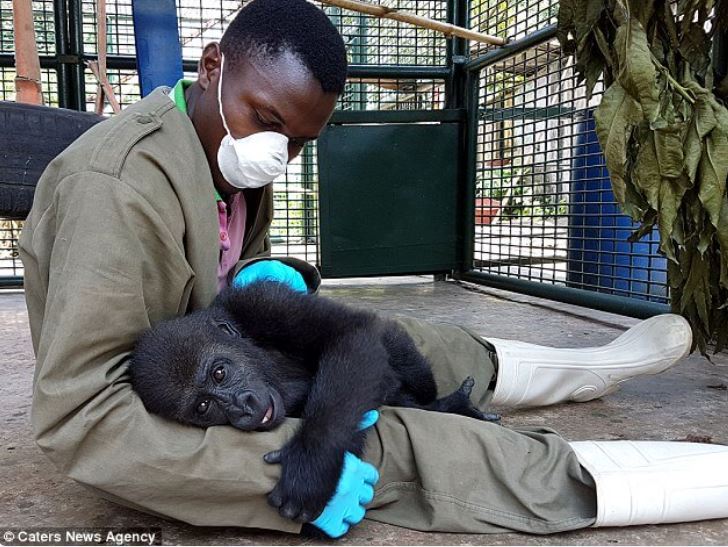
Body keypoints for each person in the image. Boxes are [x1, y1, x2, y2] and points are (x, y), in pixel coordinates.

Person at [18, 0, 728, 539]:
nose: (278, 153)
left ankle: (590, 370)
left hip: (218, 347)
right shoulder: (111, 190)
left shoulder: (221, 145)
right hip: (173, 416)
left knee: (392, 337)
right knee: (406, 442)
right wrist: (289, 468)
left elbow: (224, 271)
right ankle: (650, 481)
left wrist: (275, 280)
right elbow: (83, 416)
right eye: (267, 119)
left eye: (299, 141)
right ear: (212, 66)